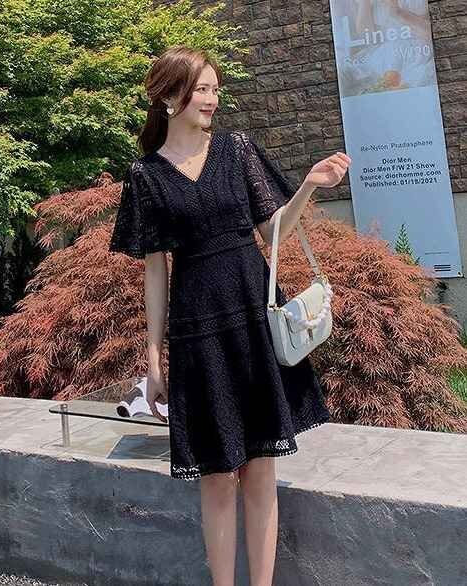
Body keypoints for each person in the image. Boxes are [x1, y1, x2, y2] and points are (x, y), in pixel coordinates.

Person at [109, 45, 351, 586]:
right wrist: (154, 358)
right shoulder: (145, 175)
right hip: (197, 330)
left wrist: (309, 185)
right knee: (217, 474)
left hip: (251, 316)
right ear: (169, 96)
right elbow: (155, 272)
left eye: (215, 89)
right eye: (202, 89)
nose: (212, 99)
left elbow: (273, 233)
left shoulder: (238, 150)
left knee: (260, 466)